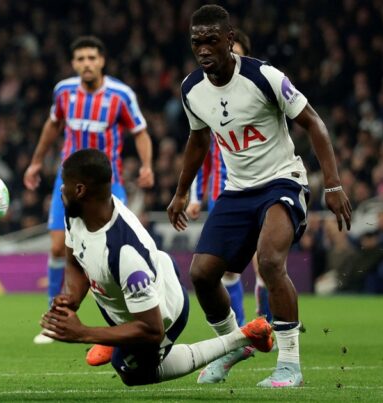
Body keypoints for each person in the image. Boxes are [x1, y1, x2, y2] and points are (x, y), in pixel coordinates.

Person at [168, 5, 352, 388]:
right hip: (237, 191)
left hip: (282, 182)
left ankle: (289, 364)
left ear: (229, 39)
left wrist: (332, 184)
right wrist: (182, 191)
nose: (203, 49)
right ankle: (235, 344)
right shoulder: (191, 89)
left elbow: (314, 123)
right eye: (196, 42)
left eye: (211, 40)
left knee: (269, 261)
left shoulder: (263, 76)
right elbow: (199, 138)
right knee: (202, 274)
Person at [39, 149, 273, 387]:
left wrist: (83, 333)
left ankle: (240, 339)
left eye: (64, 184)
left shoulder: (124, 254)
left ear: (80, 190)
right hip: (145, 282)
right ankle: (117, 338)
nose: (60, 190)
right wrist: (72, 299)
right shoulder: (78, 212)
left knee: (131, 373)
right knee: (121, 328)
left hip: (164, 312)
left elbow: (152, 330)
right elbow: (75, 263)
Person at [24, 35, 155, 359]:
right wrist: (37, 161)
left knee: (120, 250)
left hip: (106, 187)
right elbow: (52, 126)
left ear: (102, 61)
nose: (86, 64)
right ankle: (55, 320)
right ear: (74, 64)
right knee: (58, 247)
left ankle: (134, 318)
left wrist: (148, 165)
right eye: (80, 58)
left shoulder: (121, 95)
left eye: (91, 58)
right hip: (67, 185)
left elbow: (139, 131)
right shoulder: (64, 92)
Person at [184, 29, 275, 384]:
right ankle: (240, 334)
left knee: (267, 264)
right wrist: (193, 197)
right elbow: (201, 151)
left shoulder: (256, 89)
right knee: (226, 273)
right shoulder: (205, 99)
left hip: (265, 188)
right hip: (231, 196)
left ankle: (263, 323)